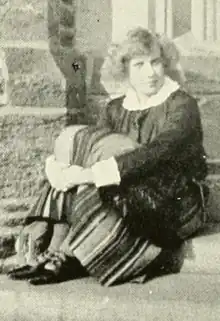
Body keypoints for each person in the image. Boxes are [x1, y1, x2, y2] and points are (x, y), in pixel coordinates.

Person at [8, 27, 209, 286]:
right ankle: (57, 249)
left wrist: (92, 174)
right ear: (126, 70)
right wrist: (61, 170)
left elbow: (161, 151)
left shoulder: (181, 104)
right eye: (139, 65)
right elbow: (89, 151)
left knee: (95, 174)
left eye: (155, 62)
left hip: (177, 200)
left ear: (164, 63)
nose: (150, 72)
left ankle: (69, 254)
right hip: (132, 191)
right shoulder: (115, 108)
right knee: (79, 148)